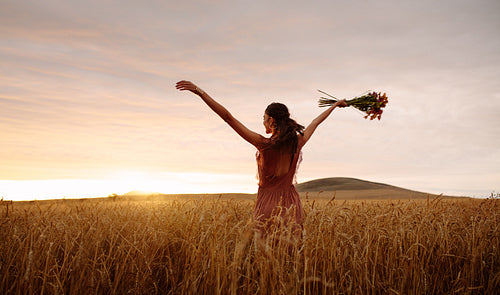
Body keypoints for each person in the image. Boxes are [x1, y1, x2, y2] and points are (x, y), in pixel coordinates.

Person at [175, 80, 347, 235]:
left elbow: (227, 117)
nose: (263, 122)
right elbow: (316, 121)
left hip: (267, 204)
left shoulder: (263, 144)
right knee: (290, 254)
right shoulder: (298, 141)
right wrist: (334, 105)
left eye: (264, 118)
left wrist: (200, 92)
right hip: (291, 204)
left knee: (265, 258)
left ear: (271, 121)